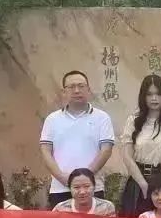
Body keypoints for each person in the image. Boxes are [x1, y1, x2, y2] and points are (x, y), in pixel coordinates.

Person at [39, 70, 115, 208]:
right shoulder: (52, 119)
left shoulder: (102, 118)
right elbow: (45, 151)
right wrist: (63, 178)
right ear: (64, 92)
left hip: (92, 188)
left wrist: (85, 179)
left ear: (88, 90)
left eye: (81, 86)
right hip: (60, 188)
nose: (76, 90)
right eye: (71, 87)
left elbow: (106, 151)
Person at [119, 74, 161, 218]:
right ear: (143, 97)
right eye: (149, 94)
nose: (154, 98)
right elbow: (127, 156)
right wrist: (143, 184)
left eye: (158, 94)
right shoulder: (133, 120)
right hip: (139, 180)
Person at [52, 168, 117, 216]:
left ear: (94, 187)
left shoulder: (107, 207)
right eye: (76, 187)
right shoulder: (60, 209)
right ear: (70, 188)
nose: (82, 192)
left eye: (87, 186)